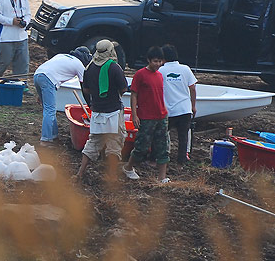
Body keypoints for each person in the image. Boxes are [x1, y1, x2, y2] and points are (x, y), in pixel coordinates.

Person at [76, 40, 128, 180]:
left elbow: (86, 89)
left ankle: (81, 172)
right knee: (114, 143)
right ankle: (111, 175)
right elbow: (123, 88)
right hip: (114, 111)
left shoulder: (89, 68)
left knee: (93, 141)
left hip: (97, 111)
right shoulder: (114, 68)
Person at [123, 46, 170, 183]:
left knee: (163, 146)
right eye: (155, 61)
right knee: (141, 146)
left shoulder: (160, 75)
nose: (158, 64)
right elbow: (134, 95)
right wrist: (135, 114)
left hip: (161, 115)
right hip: (146, 116)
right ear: (149, 60)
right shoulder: (140, 75)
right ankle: (128, 167)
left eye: (160, 61)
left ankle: (162, 177)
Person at [33, 47, 92, 143]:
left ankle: (54, 135)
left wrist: (41, 95)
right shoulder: (79, 64)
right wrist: (90, 105)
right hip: (48, 79)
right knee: (50, 110)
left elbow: (50, 69)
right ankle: (46, 140)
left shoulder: (61, 55)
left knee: (49, 109)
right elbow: (84, 88)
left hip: (37, 75)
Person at [160, 44, 197, 164]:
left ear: (163, 57)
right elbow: (192, 88)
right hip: (184, 109)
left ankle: (161, 157)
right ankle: (181, 161)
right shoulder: (185, 69)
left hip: (168, 110)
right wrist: (193, 106)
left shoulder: (161, 70)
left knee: (162, 135)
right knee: (183, 137)